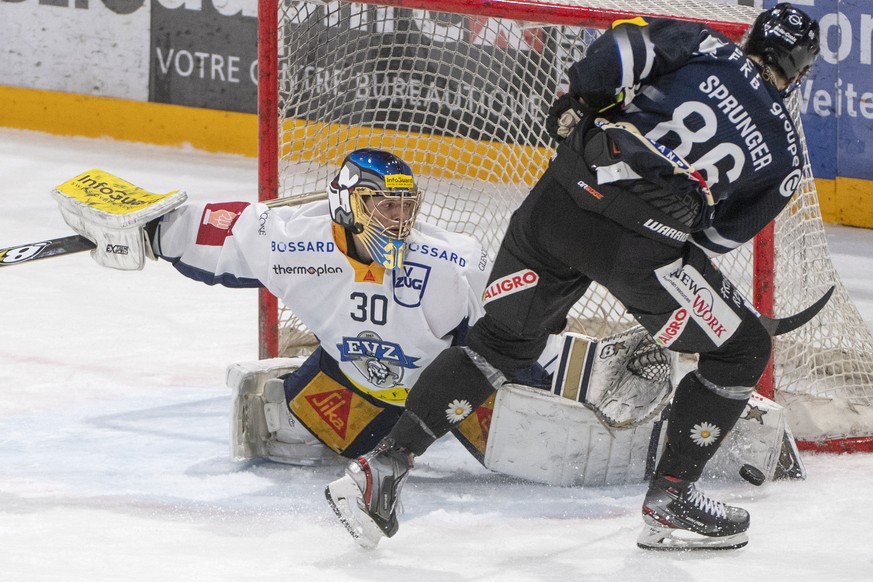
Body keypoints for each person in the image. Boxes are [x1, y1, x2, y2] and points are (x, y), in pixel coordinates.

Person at [325, 4, 821, 551]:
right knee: (743, 348)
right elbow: (719, 238)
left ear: (750, 37)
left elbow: (614, 54)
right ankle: (671, 501)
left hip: (554, 209)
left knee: (500, 343)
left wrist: (586, 102)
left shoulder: (704, 45)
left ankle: (382, 466)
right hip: (642, 251)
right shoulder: (787, 152)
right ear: (799, 71)